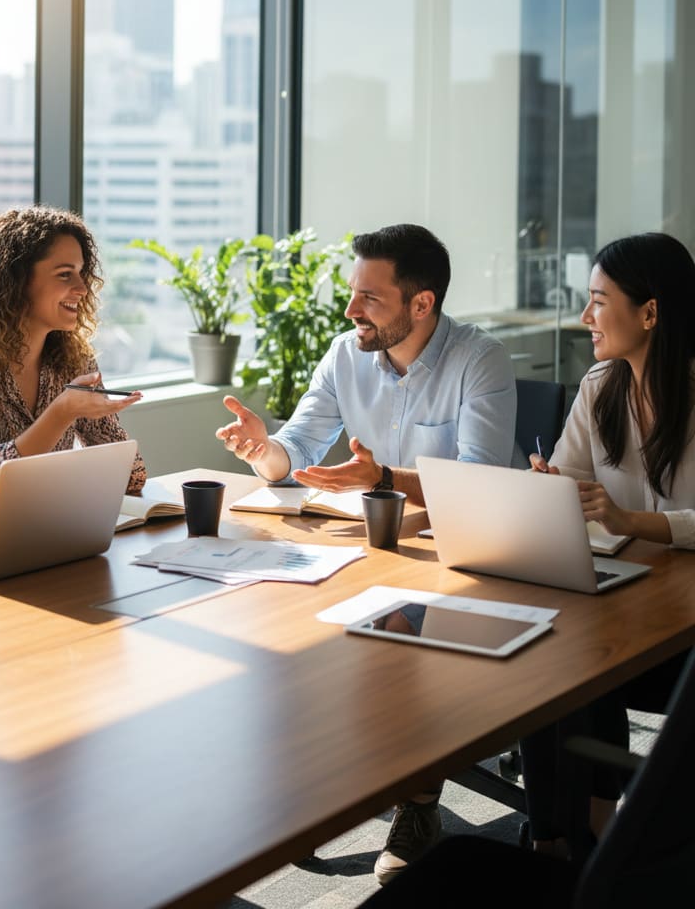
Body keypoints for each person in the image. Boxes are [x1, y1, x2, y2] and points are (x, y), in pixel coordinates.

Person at [216, 222, 517, 883]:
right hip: (372, 546)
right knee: (284, 622)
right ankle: (326, 787)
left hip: (457, 557)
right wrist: (262, 451)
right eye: (353, 295)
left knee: (408, 640)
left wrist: (383, 478)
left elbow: (478, 485)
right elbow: (296, 446)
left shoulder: (480, 361)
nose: (351, 311)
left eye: (370, 299)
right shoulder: (344, 354)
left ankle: (416, 804)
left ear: (421, 304)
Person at [519, 231, 695, 861]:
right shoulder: (601, 386)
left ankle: (588, 836)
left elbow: (625, 517)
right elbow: (570, 480)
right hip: (625, 607)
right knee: (551, 657)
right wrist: (550, 492)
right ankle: (566, 840)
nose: (586, 317)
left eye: (599, 301)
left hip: (683, 635)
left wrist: (630, 521)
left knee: (582, 663)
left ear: (650, 313)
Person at [0, 205, 146, 523]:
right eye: (64, 274)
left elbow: (133, 477)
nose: (83, 289)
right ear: (15, 281)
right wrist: (62, 412)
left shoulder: (72, 363)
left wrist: (101, 431)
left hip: (36, 529)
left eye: (82, 273)